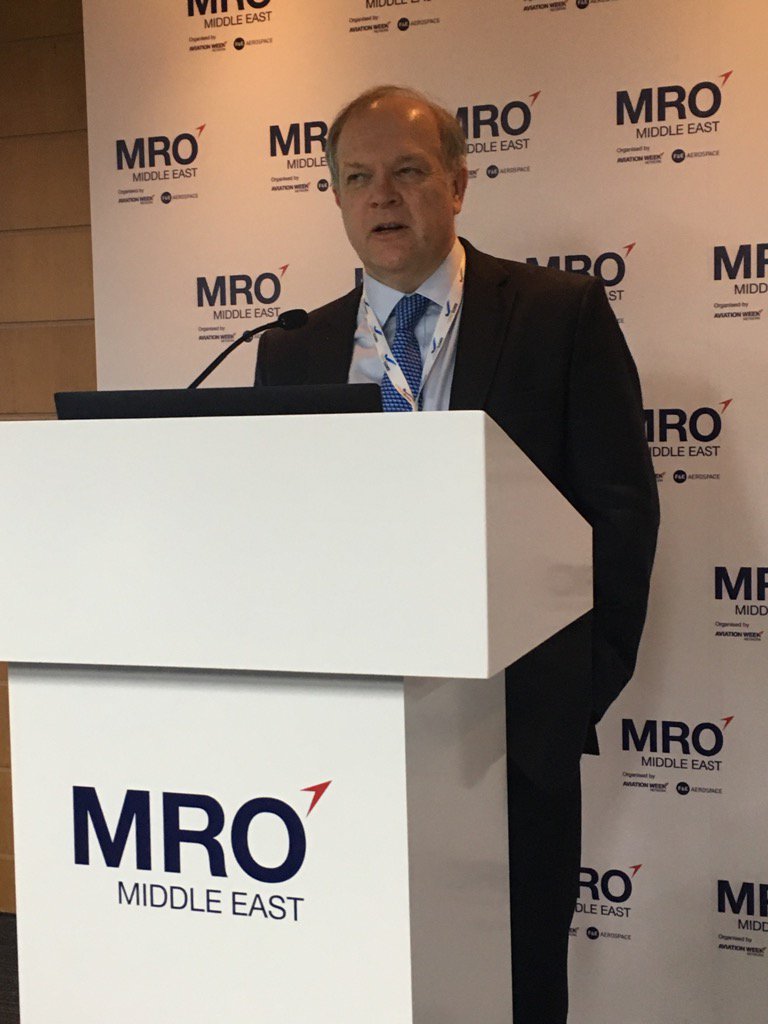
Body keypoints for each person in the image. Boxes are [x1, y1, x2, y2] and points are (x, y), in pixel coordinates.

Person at [255, 85, 659, 1023]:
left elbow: (620, 513)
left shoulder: (557, 314)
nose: (382, 196)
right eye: (358, 177)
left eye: (407, 171)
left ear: (459, 184)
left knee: (514, 983)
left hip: (509, 734)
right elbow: (280, 533)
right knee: (362, 981)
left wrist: (571, 696)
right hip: (346, 740)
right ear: (336, 195)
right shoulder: (295, 349)